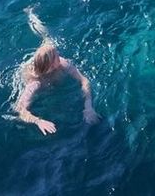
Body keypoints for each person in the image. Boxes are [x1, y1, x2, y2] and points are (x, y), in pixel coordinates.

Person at [14, 7, 100, 135]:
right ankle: (29, 15)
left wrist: (88, 107)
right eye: (56, 56)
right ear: (51, 65)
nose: (60, 56)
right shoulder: (34, 83)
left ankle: (31, 14)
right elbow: (19, 109)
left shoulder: (62, 63)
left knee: (47, 37)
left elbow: (84, 81)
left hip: (43, 63)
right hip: (39, 73)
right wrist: (38, 121)